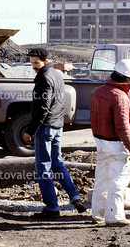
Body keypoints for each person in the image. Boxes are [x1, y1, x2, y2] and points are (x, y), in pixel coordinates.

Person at [23, 48, 86, 219]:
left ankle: (51, 208)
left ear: (45, 60)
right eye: (32, 63)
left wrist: (30, 130)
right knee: (57, 164)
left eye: (36, 63)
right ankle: (75, 197)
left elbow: (43, 107)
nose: (34, 67)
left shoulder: (44, 78)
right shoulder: (57, 74)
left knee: (43, 167)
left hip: (45, 127)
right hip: (57, 126)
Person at [89, 59, 130, 227]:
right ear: (127, 79)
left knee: (102, 178)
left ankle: (98, 213)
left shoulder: (97, 92)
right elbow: (122, 126)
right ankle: (115, 216)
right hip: (116, 144)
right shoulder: (120, 97)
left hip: (100, 140)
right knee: (118, 179)